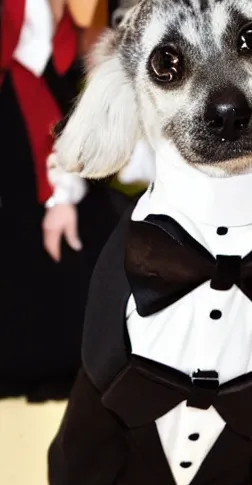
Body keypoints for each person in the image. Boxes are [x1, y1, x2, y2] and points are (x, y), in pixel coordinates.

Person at [0, 0, 148, 402]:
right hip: (23, 109)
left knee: (60, 249)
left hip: (41, 100)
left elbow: (57, 43)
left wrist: (60, 194)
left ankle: (56, 358)